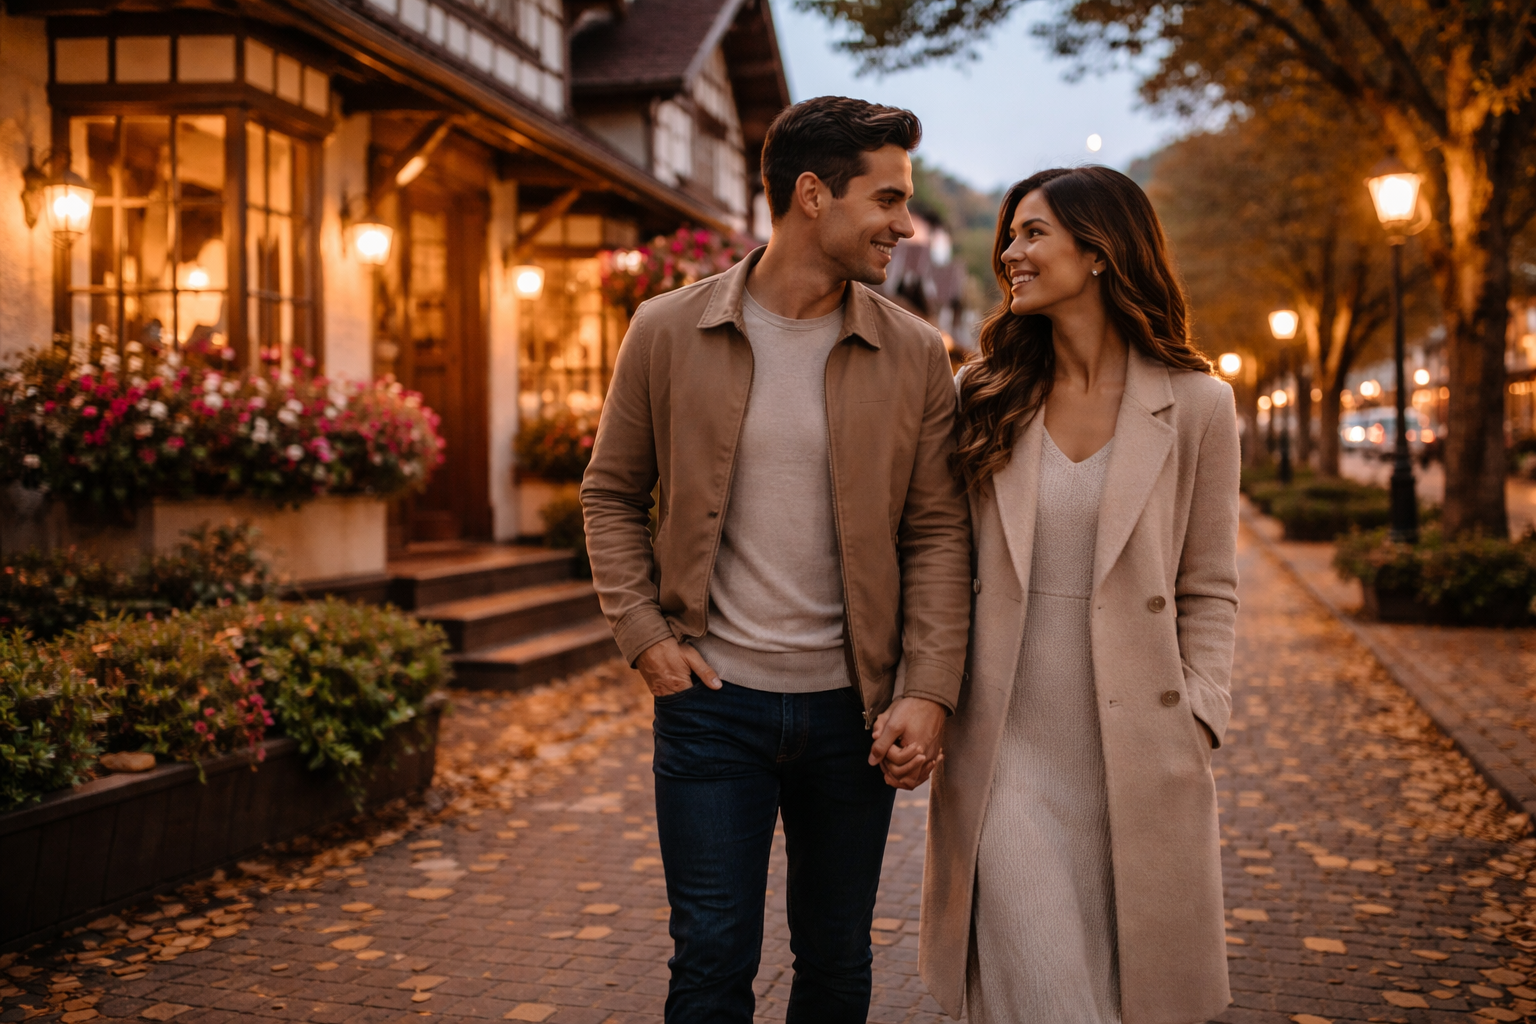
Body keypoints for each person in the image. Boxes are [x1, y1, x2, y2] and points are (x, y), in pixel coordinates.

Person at [580, 96, 972, 1024]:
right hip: (713, 711)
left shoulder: (917, 353)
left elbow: (938, 532)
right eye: (886, 199)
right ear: (811, 195)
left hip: (854, 713)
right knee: (711, 956)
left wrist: (929, 689)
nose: (903, 224)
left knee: (834, 957)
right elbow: (609, 493)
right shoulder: (668, 330)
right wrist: (644, 636)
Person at [918, 166, 1239, 1024]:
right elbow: (940, 560)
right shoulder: (983, 395)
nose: (1010, 254)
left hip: (1140, 746)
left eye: (1031, 234)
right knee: (1046, 987)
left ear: (1100, 252)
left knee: (1113, 988)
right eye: (1009, 237)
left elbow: (1209, 583)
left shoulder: (1200, 404)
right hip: (1006, 745)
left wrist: (1200, 706)